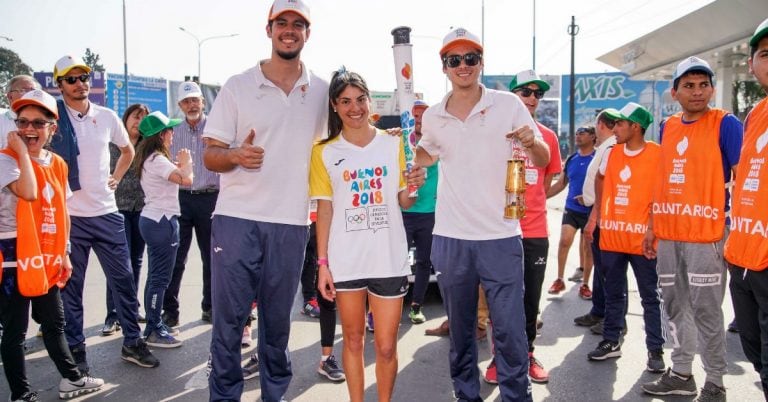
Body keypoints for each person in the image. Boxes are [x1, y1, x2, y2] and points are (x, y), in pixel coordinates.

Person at [415, 27, 550, 402]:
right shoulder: (435, 116)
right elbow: (428, 153)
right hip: (452, 238)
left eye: (470, 58)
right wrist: (413, 160)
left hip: (501, 237)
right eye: (454, 60)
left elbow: (542, 158)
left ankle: (516, 395)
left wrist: (532, 141)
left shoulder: (507, 104)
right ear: (444, 67)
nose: (463, 66)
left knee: (508, 329)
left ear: (481, 62)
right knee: (460, 331)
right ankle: (466, 394)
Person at [202, 1, 328, 400]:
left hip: (291, 222)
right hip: (237, 220)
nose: (289, 30)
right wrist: (236, 155)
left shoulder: (323, 92)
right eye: (282, 23)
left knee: (277, 325)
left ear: (308, 33)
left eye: (298, 24)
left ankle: (275, 394)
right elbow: (210, 155)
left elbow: (340, 149)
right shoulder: (238, 85)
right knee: (229, 322)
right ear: (269, 29)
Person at [311, 68, 423, 402]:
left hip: (387, 257)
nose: (354, 107)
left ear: (369, 100)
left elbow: (403, 200)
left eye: (360, 99)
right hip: (346, 260)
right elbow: (325, 209)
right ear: (334, 105)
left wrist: (414, 185)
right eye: (345, 101)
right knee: (355, 340)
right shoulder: (323, 151)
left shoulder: (394, 143)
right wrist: (323, 264)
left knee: (387, 346)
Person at [641, 56, 743, 400]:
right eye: (689, 85)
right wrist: (652, 226)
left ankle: (715, 380)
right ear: (675, 91)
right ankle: (681, 373)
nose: (697, 92)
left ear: (713, 88)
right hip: (670, 234)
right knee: (674, 305)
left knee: (706, 308)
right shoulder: (667, 126)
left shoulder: (726, 124)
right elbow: (663, 180)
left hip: (707, 236)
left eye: (703, 85)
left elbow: (742, 179)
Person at [50, 55, 158, 371]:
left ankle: (133, 343)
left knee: (124, 281)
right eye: (71, 79)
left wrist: (116, 176)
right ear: (60, 85)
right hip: (70, 217)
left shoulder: (107, 116)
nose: (80, 84)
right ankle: (76, 354)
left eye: (84, 77)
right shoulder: (52, 119)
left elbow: (127, 150)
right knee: (71, 289)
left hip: (107, 214)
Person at [0, 89, 103, 401]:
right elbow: (29, 191)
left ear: (52, 128)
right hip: (13, 253)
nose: (29, 129)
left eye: (38, 123)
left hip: (47, 254)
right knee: (16, 331)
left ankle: (72, 379)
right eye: (22, 122)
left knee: (55, 323)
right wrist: (18, 148)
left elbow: (62, 210)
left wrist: (66, 251)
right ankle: (21, 394)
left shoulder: (58, 163)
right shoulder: (6, 160)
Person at [486, 69, 562, 385]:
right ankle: (498, 357)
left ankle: (527, 354)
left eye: (537, 94)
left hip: (534, 232)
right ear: (512, 96)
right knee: (500, 301)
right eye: (525, 92)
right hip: (498, 231)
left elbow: (547, 179)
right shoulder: (493, 133)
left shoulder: (548, 137)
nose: (532, 98)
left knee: (529, 300)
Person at [584, 103, 666, 375]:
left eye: (620, 124)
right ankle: (611, 341)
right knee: (613, 293)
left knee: (650, 297)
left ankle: (655, 350)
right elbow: (600, 178)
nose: (615, 128)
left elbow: (662, 193)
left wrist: (653, 226)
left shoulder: (657, 154)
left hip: (642, 239)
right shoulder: (612, 152)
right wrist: (597, 214)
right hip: (613, 236)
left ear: (636, 127)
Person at [723, 17, 768, 400]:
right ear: (751, 63)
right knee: (755, 353)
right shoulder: (755, 114)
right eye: (766, 54)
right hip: (744, 258)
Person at [134, 111, 193, 347]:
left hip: (154, 219)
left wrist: (182, 166)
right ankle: (153, 329)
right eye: (169, 130)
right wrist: (187, 163)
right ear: (161, 135)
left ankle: (153, 322)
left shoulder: (152, 158)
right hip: (161, 221)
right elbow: (186, 180)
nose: (173, 134)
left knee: (156, 276)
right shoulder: (156, 159)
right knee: (160, 278)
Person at [162, 81, 219, 327]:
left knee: (212, 257)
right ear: (180, 105)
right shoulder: (172, 132)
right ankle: (170, 312)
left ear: (202, 102)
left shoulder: (217, 128)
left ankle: (210, 307)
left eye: (195, 100)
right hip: (182, 198)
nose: (192, 105)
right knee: (176, 257)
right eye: (186, 101)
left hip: (210, 198)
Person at [102, 103, 149, 336]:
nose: (138, 122)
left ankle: (132, 308)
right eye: (134, 117)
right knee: (118, 263)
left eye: (142, 118)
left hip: (140, 209)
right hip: (117, 209)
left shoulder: (148, 146)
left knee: (136, 261)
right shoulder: (114, 144)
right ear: (126, 118)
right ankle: (112, 314)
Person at [576, 109, 619, 335]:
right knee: (602, 271)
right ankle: (599, 311)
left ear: (601, 124)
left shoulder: (612, 147)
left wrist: (595, 212)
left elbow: (607, 185)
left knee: (610, 274)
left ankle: (613, 320)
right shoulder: (606, 147)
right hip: (597, 211)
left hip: (604, 216)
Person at [546, 125, 596, 299]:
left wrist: (590, 196)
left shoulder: (598, 158)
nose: (577, 136)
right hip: (572, 209)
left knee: (588, 249)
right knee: (564, 241)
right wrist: (540, 196)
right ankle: (559, 279)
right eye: (576, 133)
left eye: (582, 133)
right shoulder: (572, 159)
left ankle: (585, 284)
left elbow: (605, 185)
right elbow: (561, 184)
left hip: (591, 210)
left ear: (592, 136)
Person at [402, 99, 437, 325]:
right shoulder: (401, 141)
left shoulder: (436, 143)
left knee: (424, 262)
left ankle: (416, 307)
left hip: (429, 213)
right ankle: (378, 310)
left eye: (423, 116)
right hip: (404, 211)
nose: (419, 120)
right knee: (396, 261)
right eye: (415, 116)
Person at [1, 76, 41, 147]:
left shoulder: (44, 122)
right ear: (10, 96)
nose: (30, 94)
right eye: (24, 90)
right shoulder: (1, 121)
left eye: (33, 91)